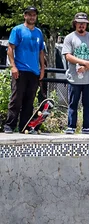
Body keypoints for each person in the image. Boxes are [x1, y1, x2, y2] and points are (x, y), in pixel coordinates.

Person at [3, 6, 45, 134]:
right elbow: (10, 49)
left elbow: (41, 51)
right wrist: (13, 66)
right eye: (29, 14)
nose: (32, 17)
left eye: (34, 15)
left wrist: (42, 68)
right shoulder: (18, 30)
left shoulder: (39, 33)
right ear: (25, 15)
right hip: (20, 70)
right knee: (16, 98)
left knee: (29, 100)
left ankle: (24, 126)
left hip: (34, 72)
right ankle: (9, 125)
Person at [62, 13, 89, 134]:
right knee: (73, 103)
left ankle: (87, 127)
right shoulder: (69, 38)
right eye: (79, 23)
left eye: (83, 23)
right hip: (74, 78)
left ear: (86, 24)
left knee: (88, 104)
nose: (81, 25)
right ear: (75, 23)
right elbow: (68, 55)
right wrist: (84, 62)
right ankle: (71, 126)